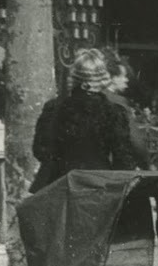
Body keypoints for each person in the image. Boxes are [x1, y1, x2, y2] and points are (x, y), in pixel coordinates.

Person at [30, 49, 134, 192]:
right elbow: (123, 159)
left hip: (58, 185)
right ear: (103, 78)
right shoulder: (114, 112)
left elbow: (40, 150)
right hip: (97, 185)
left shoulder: (53, 107)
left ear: (74, 77)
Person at [104, 53, 149, 169]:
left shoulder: (100, 96)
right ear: (112, 79)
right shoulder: (118, 101)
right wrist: (146, 161)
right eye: (123, 76)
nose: (127, 80)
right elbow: (135, 140)